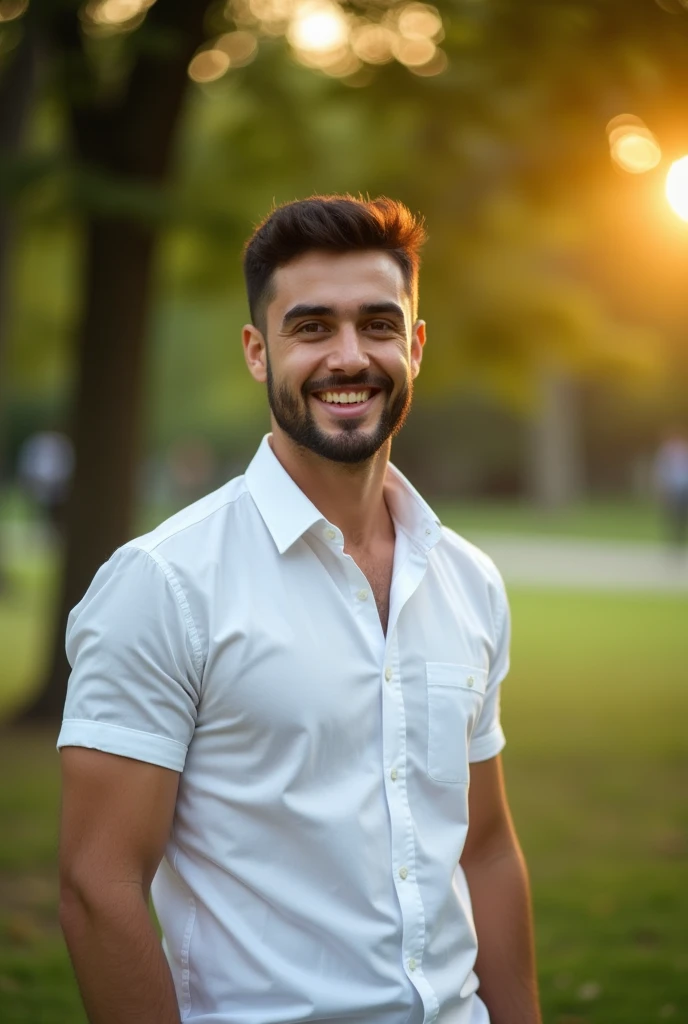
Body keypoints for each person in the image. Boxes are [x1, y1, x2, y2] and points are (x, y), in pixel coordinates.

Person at [57, 195, 542, 1024]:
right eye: (312, 328)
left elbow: (486, 849)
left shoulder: (469, 581)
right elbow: (98, 886)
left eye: (378, 326)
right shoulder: (164, 584)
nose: (349, 357)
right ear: (258, 350)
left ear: (415, 347)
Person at [652, 427, 688, 552]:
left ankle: (680, 539)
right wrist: (661, 486)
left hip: (684, 486)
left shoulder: (684, 448)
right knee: (671, 516)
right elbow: (661, 469)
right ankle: (673, 541)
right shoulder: (666, 450)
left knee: (682, 516)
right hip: (672, 487)